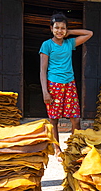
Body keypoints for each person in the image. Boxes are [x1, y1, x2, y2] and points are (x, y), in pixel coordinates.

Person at [39, 12, 93, 162]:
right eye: (57, 28)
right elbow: (42, 70)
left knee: (75, 118)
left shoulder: (69, 43)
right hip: (53, 85)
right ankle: (57, 149)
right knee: (54, 119)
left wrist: (70, 32)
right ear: (51, 28)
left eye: (63, 28)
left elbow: (89, 33)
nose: (60, 31)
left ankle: (75, 146)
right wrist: (45, 91)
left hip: (70, 84)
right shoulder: (47, 45)